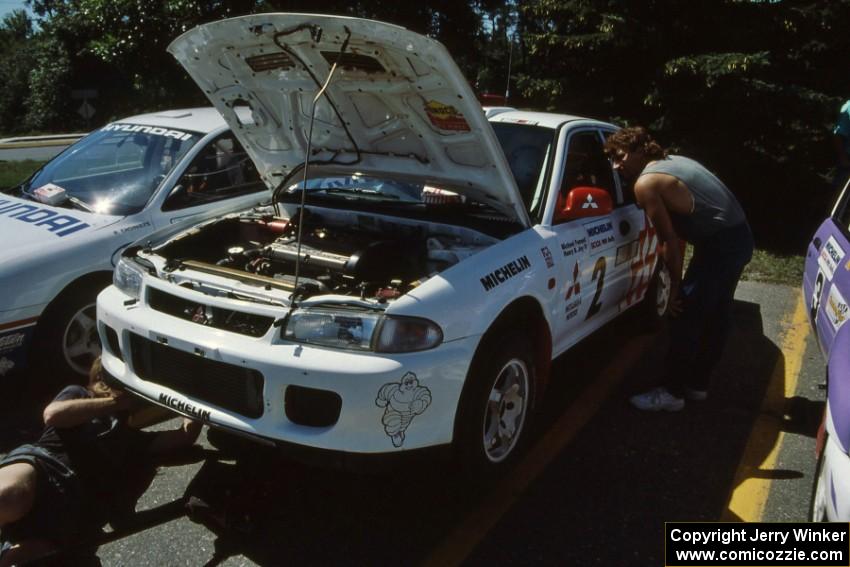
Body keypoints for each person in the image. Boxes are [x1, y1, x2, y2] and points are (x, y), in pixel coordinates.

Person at [604, 127, 753, 411]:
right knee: (717, 311)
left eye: (619, 156)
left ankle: (672, 392)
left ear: (638, 151)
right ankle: (697, 384)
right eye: (611, 159)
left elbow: (668, 243)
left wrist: (673, 288)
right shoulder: (671, 161)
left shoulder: (645, 184)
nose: (615, 165)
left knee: (684, 312)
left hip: (722, 245)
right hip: (739, 237)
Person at [0, 358, 202, 566]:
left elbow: (183, 437)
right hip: (44, 465)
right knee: (9, 496)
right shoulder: (78, 394)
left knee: (27, 560)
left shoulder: (133, 439)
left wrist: (196, 398)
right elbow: (53, 415)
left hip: (70, 503)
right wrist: (119, 402)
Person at [833, 100, 850, 191]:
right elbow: (838, 135)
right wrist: (844, 159)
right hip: (848, 164)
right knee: (842, 195)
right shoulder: (849, 107)